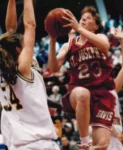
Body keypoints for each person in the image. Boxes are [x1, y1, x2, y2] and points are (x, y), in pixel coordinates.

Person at [48, 6, 116, 150]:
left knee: (102, 145)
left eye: (88, 18)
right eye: (82, 17)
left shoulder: (100, 38)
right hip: (78, 92)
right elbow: (53, 68)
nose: (84, 19)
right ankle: (84, 142)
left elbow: (105, 45)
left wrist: (78, 28)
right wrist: (53, 40)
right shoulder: (69, 45)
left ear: (96, 25)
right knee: (83, 94)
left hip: (101, 94)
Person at [0, 0, 60, 150]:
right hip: (39, 143)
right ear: (19, 49)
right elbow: (30, 25)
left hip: (18, 144)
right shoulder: (23, 69)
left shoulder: (4, 71)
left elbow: (10, 30)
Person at [107, 29, 123, 149]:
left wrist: (122, 41)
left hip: (116, 140)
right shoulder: (90, 91)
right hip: (101, 139)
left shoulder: (113, 88)